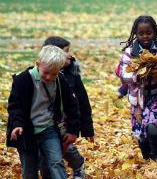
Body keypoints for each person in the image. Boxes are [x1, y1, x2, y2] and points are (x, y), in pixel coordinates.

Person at [7, 45, 81, 178]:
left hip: (48, 129)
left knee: (56, 162)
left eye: (54, 74)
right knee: (30, 171)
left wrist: (73, 130)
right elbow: (15, 106)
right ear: (37, 64)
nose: (49, 77)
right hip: (26, 132)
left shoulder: (60, 80)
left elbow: (72, 105)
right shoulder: (22, 80)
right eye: (46, 72)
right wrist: (17, 124)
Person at [119, 15, 157, 162]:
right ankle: (147, 157)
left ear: (155, 32)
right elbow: (123, 74)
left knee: (153, 127)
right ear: (136, 34)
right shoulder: (130, 52)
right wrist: (138, 74)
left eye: (149, 33)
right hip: (138, 100)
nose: (145, 36)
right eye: (141, 33)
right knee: (141, 134)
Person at [39, 37, 94, 178]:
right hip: (46, 124)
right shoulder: (41, 75)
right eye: (66, 51)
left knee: (67, 148)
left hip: (66, 125)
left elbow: (83, 103)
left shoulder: (72, 76)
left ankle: (78, 163)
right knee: (47, 157)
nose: (70, 55)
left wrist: (87, 128)